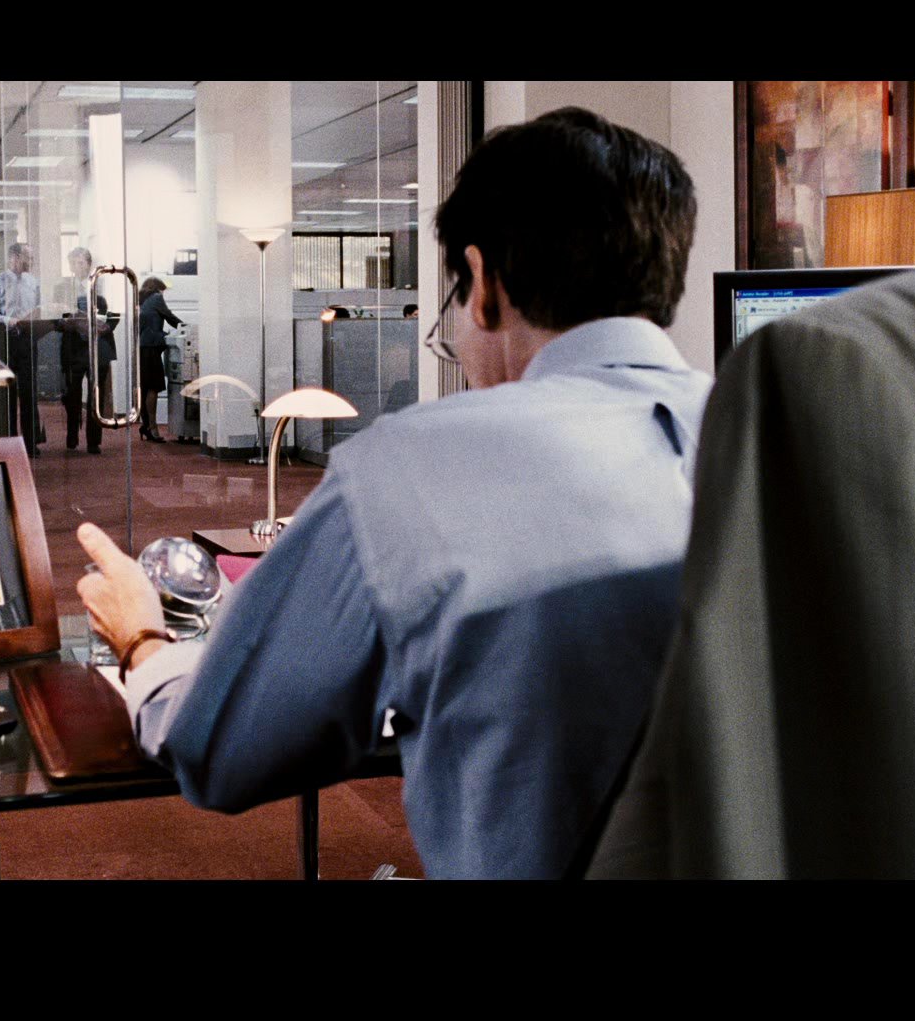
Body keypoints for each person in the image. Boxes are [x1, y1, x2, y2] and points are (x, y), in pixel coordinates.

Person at [76, 107, 711, 879]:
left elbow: (218, 750)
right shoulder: (773, 432)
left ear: (483, 282)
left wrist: (142, 639)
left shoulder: (412, 466)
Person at [0, 243, 44, 455]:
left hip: (28, 342)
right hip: (6, 343)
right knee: (7, 396)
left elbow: (39, 310)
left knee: (29, 394)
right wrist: (8, 321)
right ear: (15, 258)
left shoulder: (33, 283)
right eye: (29, 257)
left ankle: (31, 444)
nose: (32, 261)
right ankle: (10, 443)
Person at [58, 247, 115, 454]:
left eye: (80, 263)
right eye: (73, 263)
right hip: (73, 347)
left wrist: (104, 327)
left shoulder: (102, 286)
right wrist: (66, 322)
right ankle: (72, 437)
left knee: (96, 395)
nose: (76, 267)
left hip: (97, 346)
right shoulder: (62, 288)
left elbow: (113, 314)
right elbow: (55, 317)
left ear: (89, 265)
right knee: (71, 395)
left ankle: (93, 441)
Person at [136, 276, 182, 442]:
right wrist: (186, 328)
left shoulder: (141, 301)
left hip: (142, 348)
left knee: (145, 388)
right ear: (157, 288)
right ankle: (152, 427)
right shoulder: (156, 298)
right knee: (153, 388)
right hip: (151, 348)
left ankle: (146, 425)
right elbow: (169, 316)